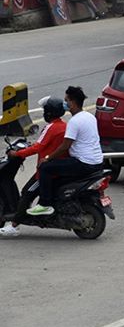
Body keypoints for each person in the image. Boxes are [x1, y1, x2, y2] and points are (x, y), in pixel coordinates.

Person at [27, 87, 103, 217]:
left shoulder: (74, 121)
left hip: (83, 163)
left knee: (45, 168)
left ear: (72, 102)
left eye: (66, 100)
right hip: (98, 162)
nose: (64, 103)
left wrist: (48, 158)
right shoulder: (90, 117)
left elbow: (65, 146)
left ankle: (45, 204)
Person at [0, 97, 67, 236]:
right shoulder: (63, 125)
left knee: (27, 193)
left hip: (46, 170)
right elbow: (43, 144)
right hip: (58, 167)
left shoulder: (52, 127)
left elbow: (38, 147)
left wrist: (17, 153)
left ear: (49, 113)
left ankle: (14, 226)